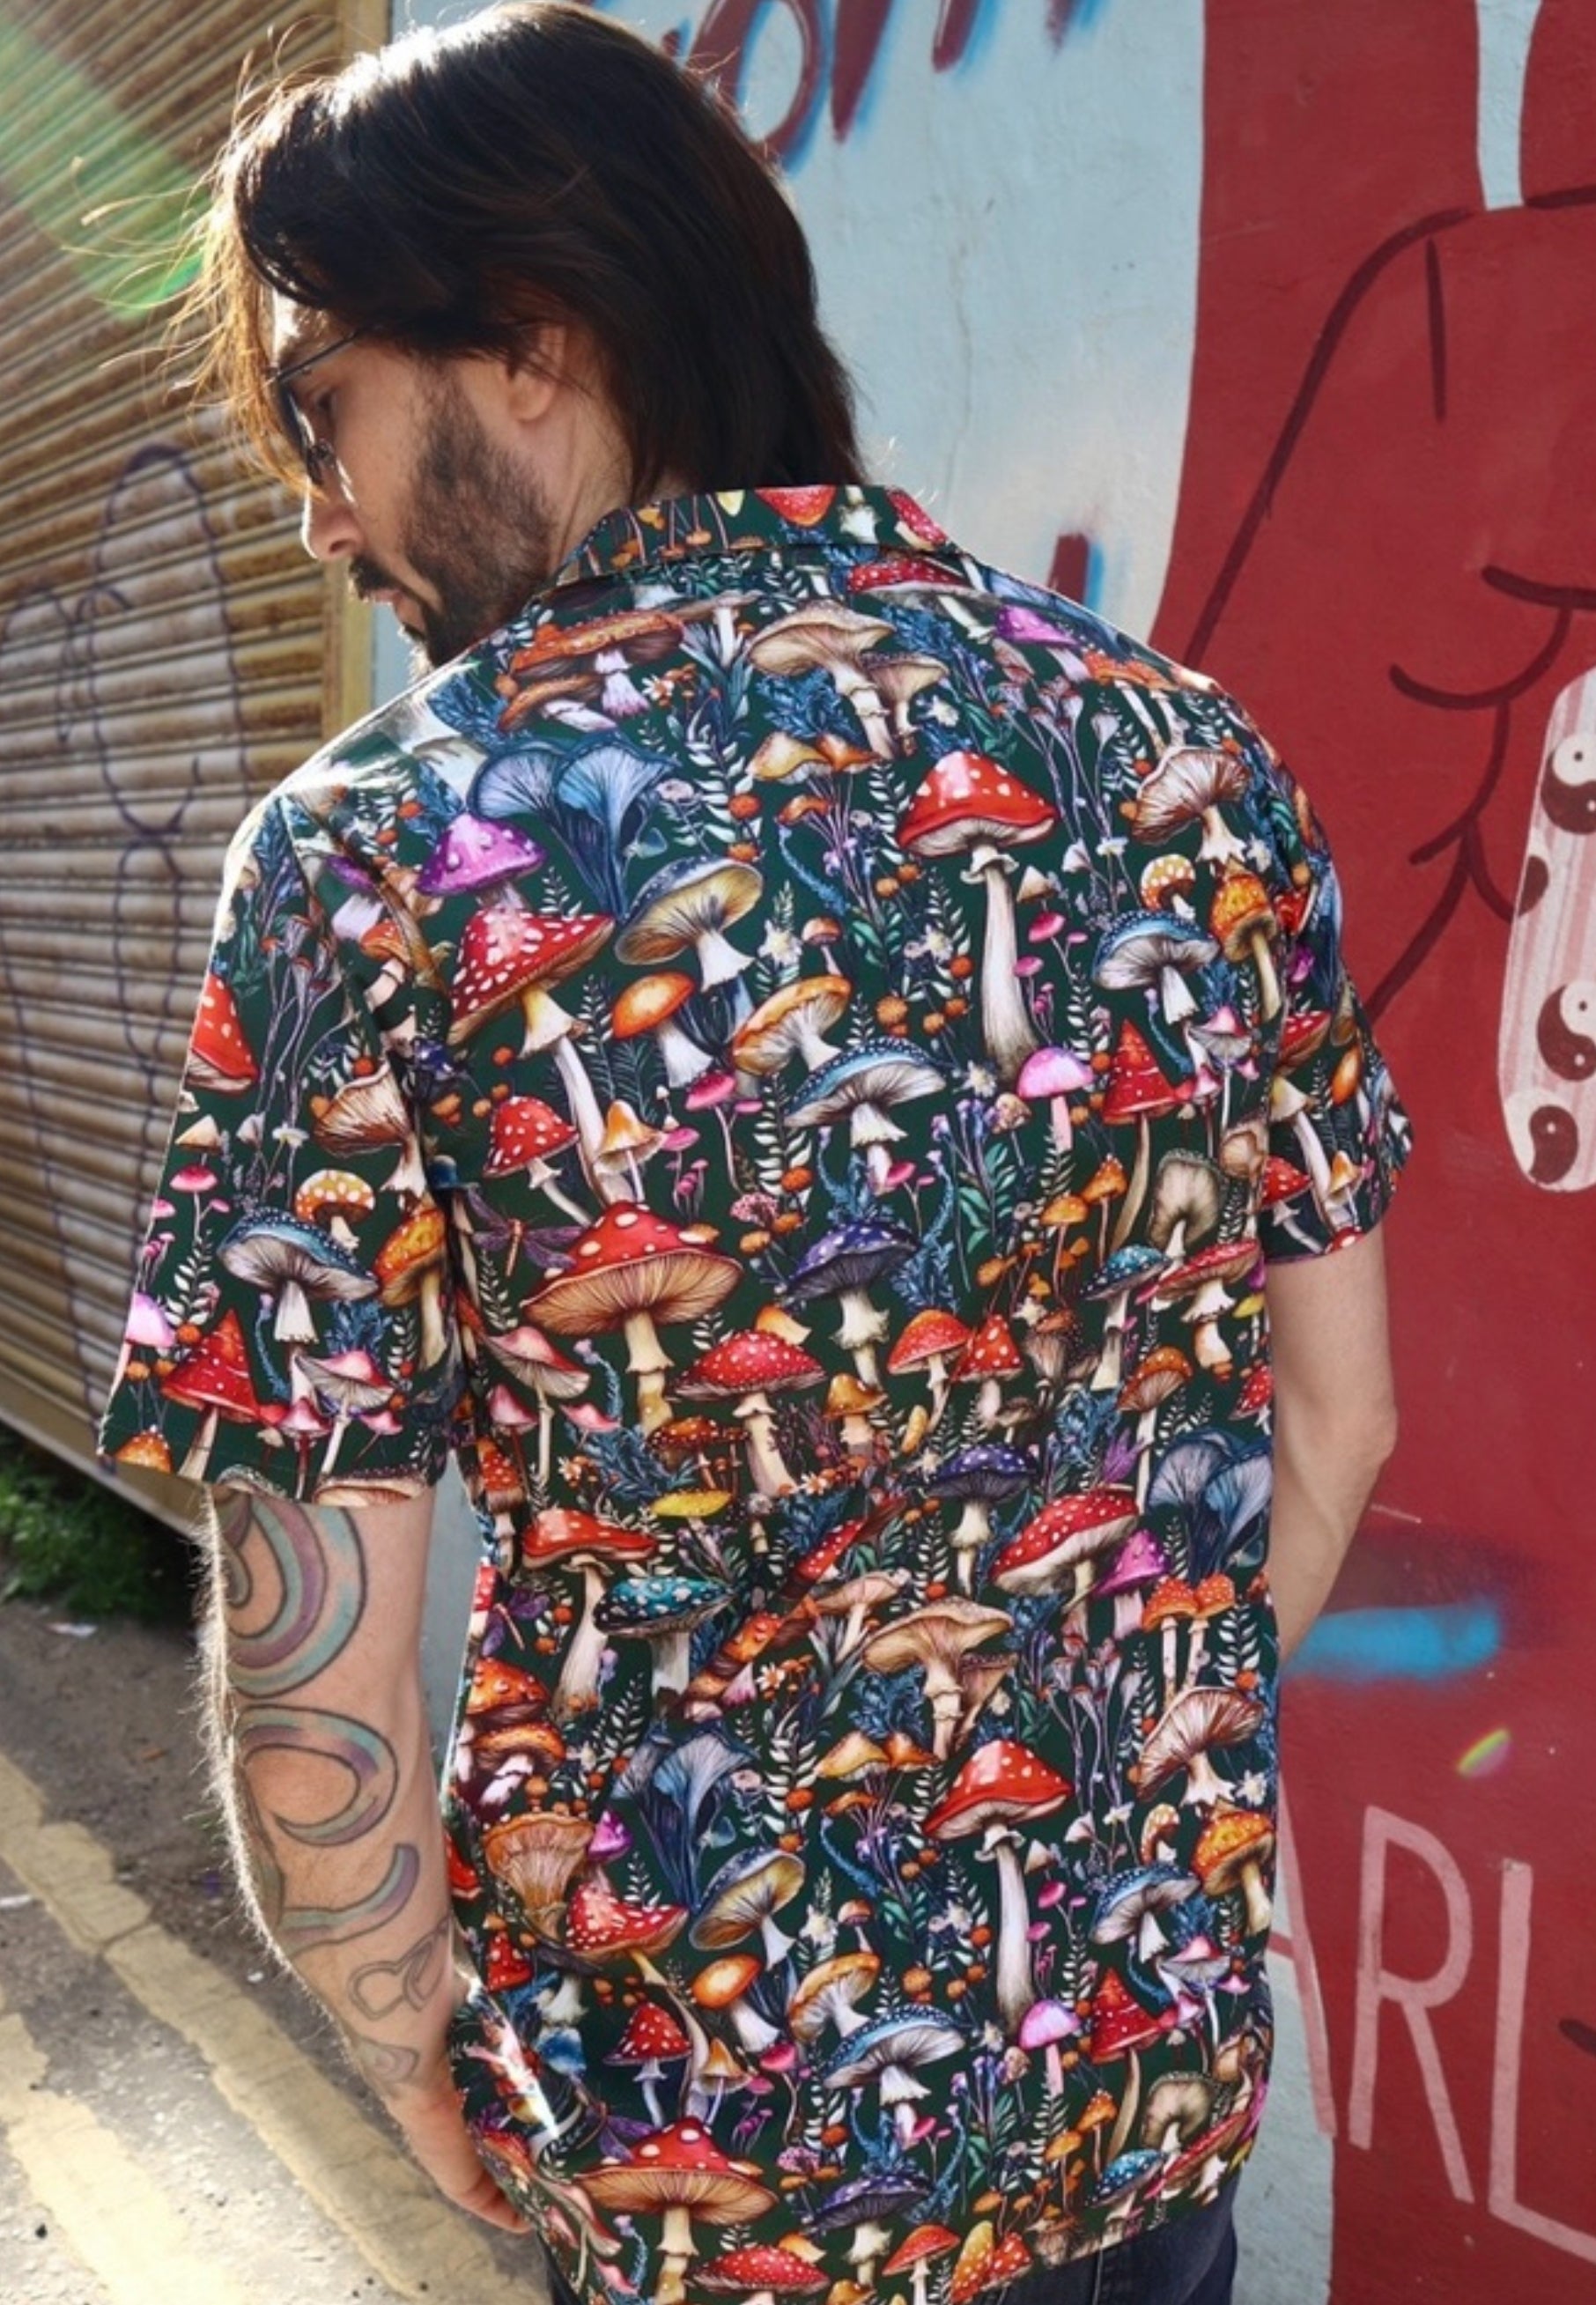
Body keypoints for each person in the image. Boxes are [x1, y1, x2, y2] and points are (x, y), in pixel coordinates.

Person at [99, 8, 1408, 2301]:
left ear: (533, 340)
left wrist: (413, 2038)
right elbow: (1340, 1417)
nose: (319, 510)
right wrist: (1092, 1783)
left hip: (704, 2162)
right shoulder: (1185, 760)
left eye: (325, 409)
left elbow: (324, 1677)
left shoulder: (380, 853)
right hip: (1129, 2111)